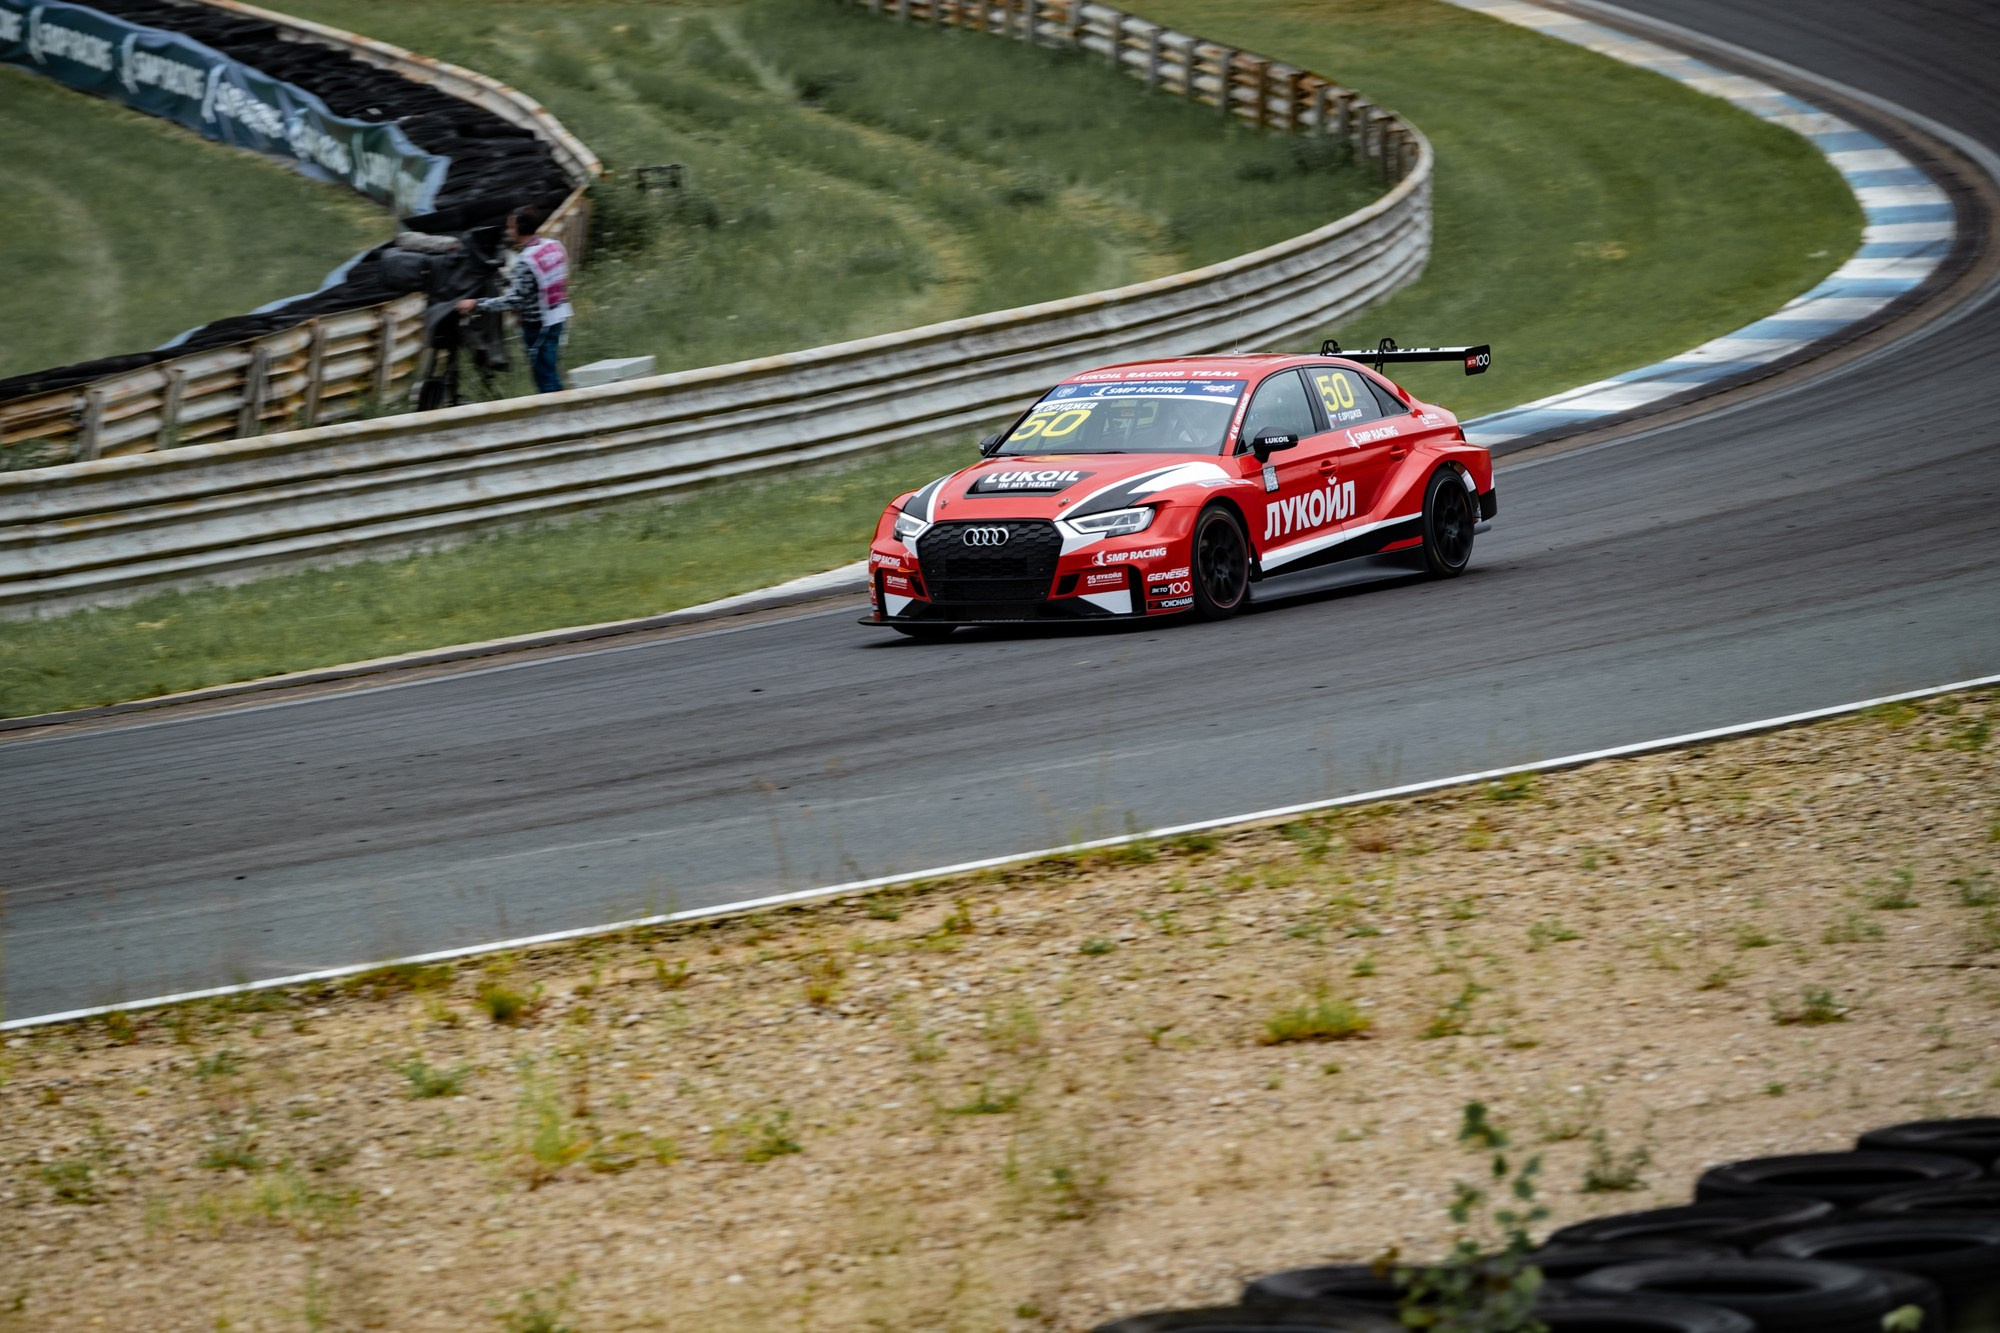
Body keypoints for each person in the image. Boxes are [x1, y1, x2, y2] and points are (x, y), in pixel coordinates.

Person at [457, 204, 572, 394]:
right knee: (550, 372)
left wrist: (476, 303)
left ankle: (560, 419)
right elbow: (561, 280)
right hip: (557, 318)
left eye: (510, 227)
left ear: (520, 228)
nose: (508, 231)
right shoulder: (552, 246)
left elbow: (514, 300)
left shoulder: (526, 260)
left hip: (538, 326)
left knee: (545, 379)